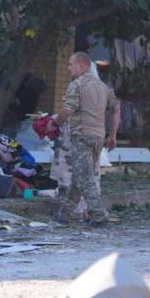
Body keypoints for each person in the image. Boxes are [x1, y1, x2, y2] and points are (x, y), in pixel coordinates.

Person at [53, 52, 120, 226]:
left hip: (82, 136)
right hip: (98, 137)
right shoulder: (104, 87)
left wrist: (54, 123)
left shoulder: (77, 85)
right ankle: (64, 214)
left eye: (71, 64)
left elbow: (68, 109)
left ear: (83, 65)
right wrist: (112, 136)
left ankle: (99, 216)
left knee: (84, 178)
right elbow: (116, 109)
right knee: (79, 177)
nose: (68, 68)